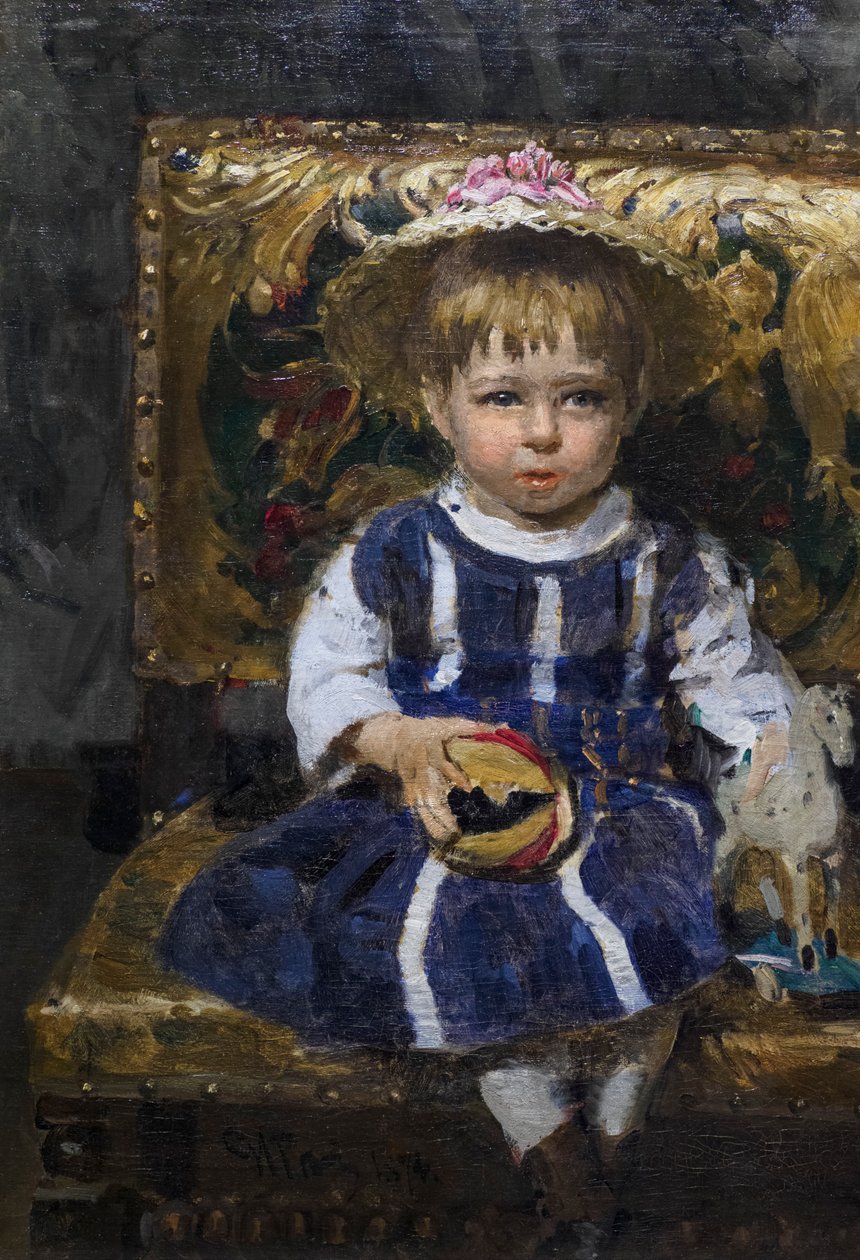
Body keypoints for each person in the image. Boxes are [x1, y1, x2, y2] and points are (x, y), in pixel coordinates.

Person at [159, 143, 807, 1252]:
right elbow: (329, 674)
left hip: (615, 806)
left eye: (581, 399)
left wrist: (768, 766)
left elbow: (732, 684)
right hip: (445, 806)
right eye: (503, 398)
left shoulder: (665, 559)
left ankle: (607, 1144)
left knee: (656, 929)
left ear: (628, 405)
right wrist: (400, 741)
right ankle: (550, 1153)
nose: (542, 434)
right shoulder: (397, 549)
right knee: (471, 947)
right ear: (437, 403)